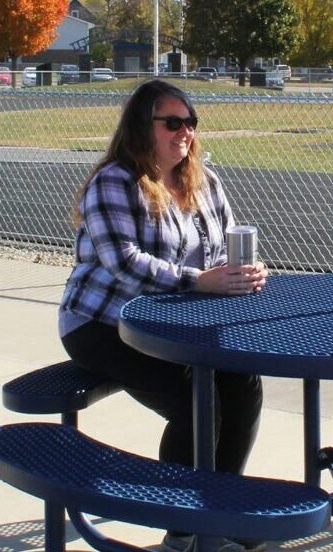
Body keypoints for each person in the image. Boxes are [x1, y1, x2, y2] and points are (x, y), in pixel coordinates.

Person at [58, 78, 269, 552]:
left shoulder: (204, 180)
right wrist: (199, 280)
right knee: (196, 395)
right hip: (103, 322)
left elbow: (227, 240)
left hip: (174, 321)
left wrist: (246, 268)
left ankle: (218, 506)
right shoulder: (114, 181)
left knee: (242, 382)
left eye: (190, 122)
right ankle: (182, 530)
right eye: (172, 122)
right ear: (142, 126)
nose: (184, 132)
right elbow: (125, 263)